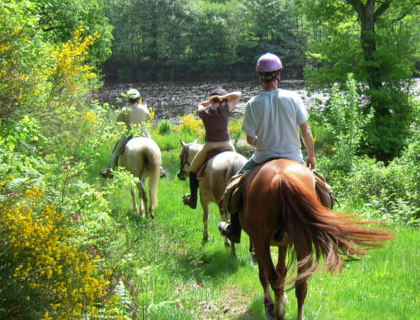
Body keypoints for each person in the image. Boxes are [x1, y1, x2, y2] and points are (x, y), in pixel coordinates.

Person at [218, 52, 316, 243]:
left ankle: (234, 228)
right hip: (294, 158)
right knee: (322, 189)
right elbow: (305, 130)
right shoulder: (293, 97)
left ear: (259, 78)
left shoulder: (253, 104)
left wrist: (260, 141)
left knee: (233, 188)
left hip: (261, 159)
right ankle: (321, 225)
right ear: (278, 75)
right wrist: (311, 156)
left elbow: (250, 139)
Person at [182, 88, 242, 209]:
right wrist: (223, 99)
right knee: (241, 168)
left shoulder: (204, 112)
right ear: (222, 100)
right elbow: (238, 95)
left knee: (193, 171)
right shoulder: (225, 108)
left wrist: (208, 102)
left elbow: (199, 105)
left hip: (209, 145)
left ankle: (193, 199)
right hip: (227, 144)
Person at [100, 88, 152, 178]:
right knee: (154, 147)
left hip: (130, 134)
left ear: (128, 99)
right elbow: (149, 119)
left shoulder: (125, 109)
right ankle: (159, 168)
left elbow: (118, 121)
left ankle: (111, 171)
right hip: (144, 134)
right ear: (138, 99)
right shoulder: (144, 108)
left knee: (115, 152)